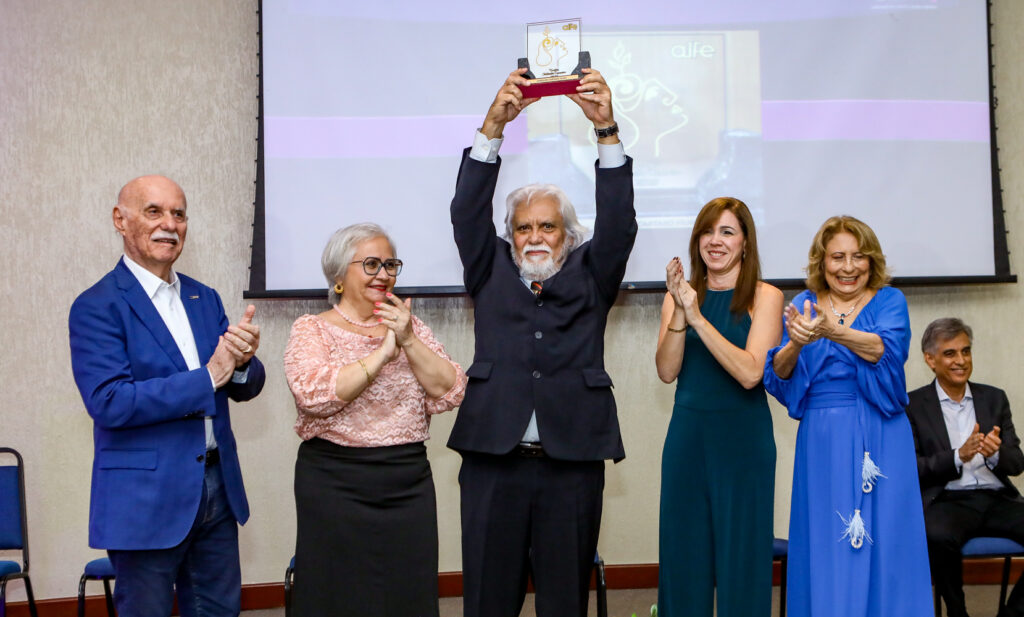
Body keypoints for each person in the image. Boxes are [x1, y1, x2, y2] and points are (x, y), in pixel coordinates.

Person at [447, 68, 635, 617]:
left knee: (563, 602)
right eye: (524, 227)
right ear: (511, 236)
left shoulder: (592, 275)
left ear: (568, 237)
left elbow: (620, 224)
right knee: (487, 599)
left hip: (570, 461)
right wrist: (492, 129)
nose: (534, 237)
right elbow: (465, 212)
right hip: (492, 460)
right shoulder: (489, 269)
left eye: (547, 227)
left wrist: (606, 132)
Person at [68, 175, 266, 617]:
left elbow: (245, 385)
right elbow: (109, 401)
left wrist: (244, 361)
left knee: (219, 611)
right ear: (120, 220)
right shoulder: (97, 305)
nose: (169, 224)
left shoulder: (203, 297)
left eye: (179, 213)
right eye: (154, 211)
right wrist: (210, 376)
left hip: (217, 488)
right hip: (144, 500)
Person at [283, 223, 467, 616]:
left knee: (407, 592)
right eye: (370, 264)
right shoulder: (311, 329)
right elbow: (315, 395)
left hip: (407, 481)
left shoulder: (409, 327)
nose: (384, 274)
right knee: (339, 594)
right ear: (338, 276)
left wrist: (407, 340)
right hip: (335, 481)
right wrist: (382, 354)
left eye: (390, 264)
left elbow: (451, 389)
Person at [762, 215, 932, 617]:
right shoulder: (803, 305)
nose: (848, 267)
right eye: (837, 257)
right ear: (822, 263)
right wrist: (796, 343)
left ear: (872, 261)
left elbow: (882, 351)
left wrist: (829, 330)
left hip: (882, 435)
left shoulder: (890, 301)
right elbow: (779, 374)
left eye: (858, 257)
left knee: (888, 540)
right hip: (823, 440)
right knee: (826, 539)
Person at [653, 197, 782, 617]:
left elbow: (749, 373)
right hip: (688, 438)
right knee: (683, 555)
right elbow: (667, 371)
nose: (715, 241)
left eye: (727, 232)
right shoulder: (677, 298)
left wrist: (697, 315)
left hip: (743, 441)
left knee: (742, 559)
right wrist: (681, 310)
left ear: (745, 243)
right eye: (707, 232)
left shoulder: (766, 297)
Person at [906, 318, 1024, 617]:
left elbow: (1017, 463)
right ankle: (958, 613)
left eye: (966, 351)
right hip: (947, 499)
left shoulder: (994, 398)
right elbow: (912, 468)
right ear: (930, 360)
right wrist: (958, 456)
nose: (961, 361)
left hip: (997, 497)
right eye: (950, 354)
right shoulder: (913, 405)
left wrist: (995, 454)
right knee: (936, 536)